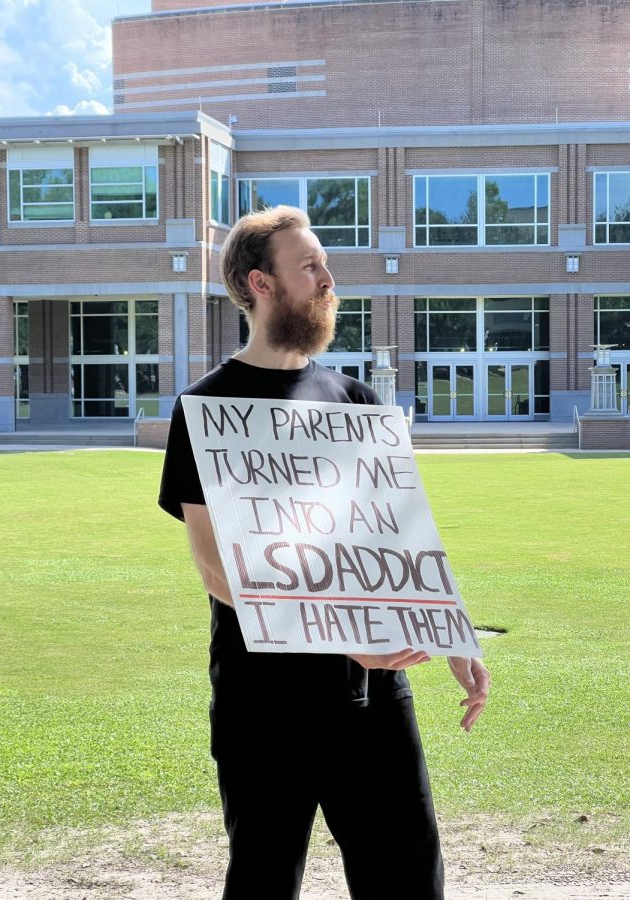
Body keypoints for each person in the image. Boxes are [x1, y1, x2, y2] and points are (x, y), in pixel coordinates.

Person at [158, 206, 490, 900]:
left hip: (371, 695)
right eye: (309, 266)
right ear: (262, 282)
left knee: (407, 876)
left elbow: (393, 537)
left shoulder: (356, 402)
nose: (327, 279)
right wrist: (343, 636)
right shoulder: (207, 409)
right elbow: (217, 569)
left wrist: (448, 628)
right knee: (263, 879)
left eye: (323, 264)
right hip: (263, 703)